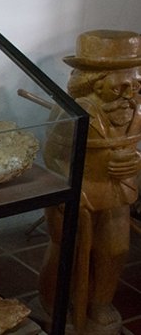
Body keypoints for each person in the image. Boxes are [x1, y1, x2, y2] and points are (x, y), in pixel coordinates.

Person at [38, 30, 141, 332]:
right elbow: (52, 154)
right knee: (66, 248)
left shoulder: (136, 110)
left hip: (118, 192)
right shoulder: (72, 112)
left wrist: (135, 163)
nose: (128, 95)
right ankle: (53, 300)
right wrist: (66, 187)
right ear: (94, 82)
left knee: (115, 248)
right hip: (75, 193)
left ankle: (100, 302)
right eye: (119, 87)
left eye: (135, 85)